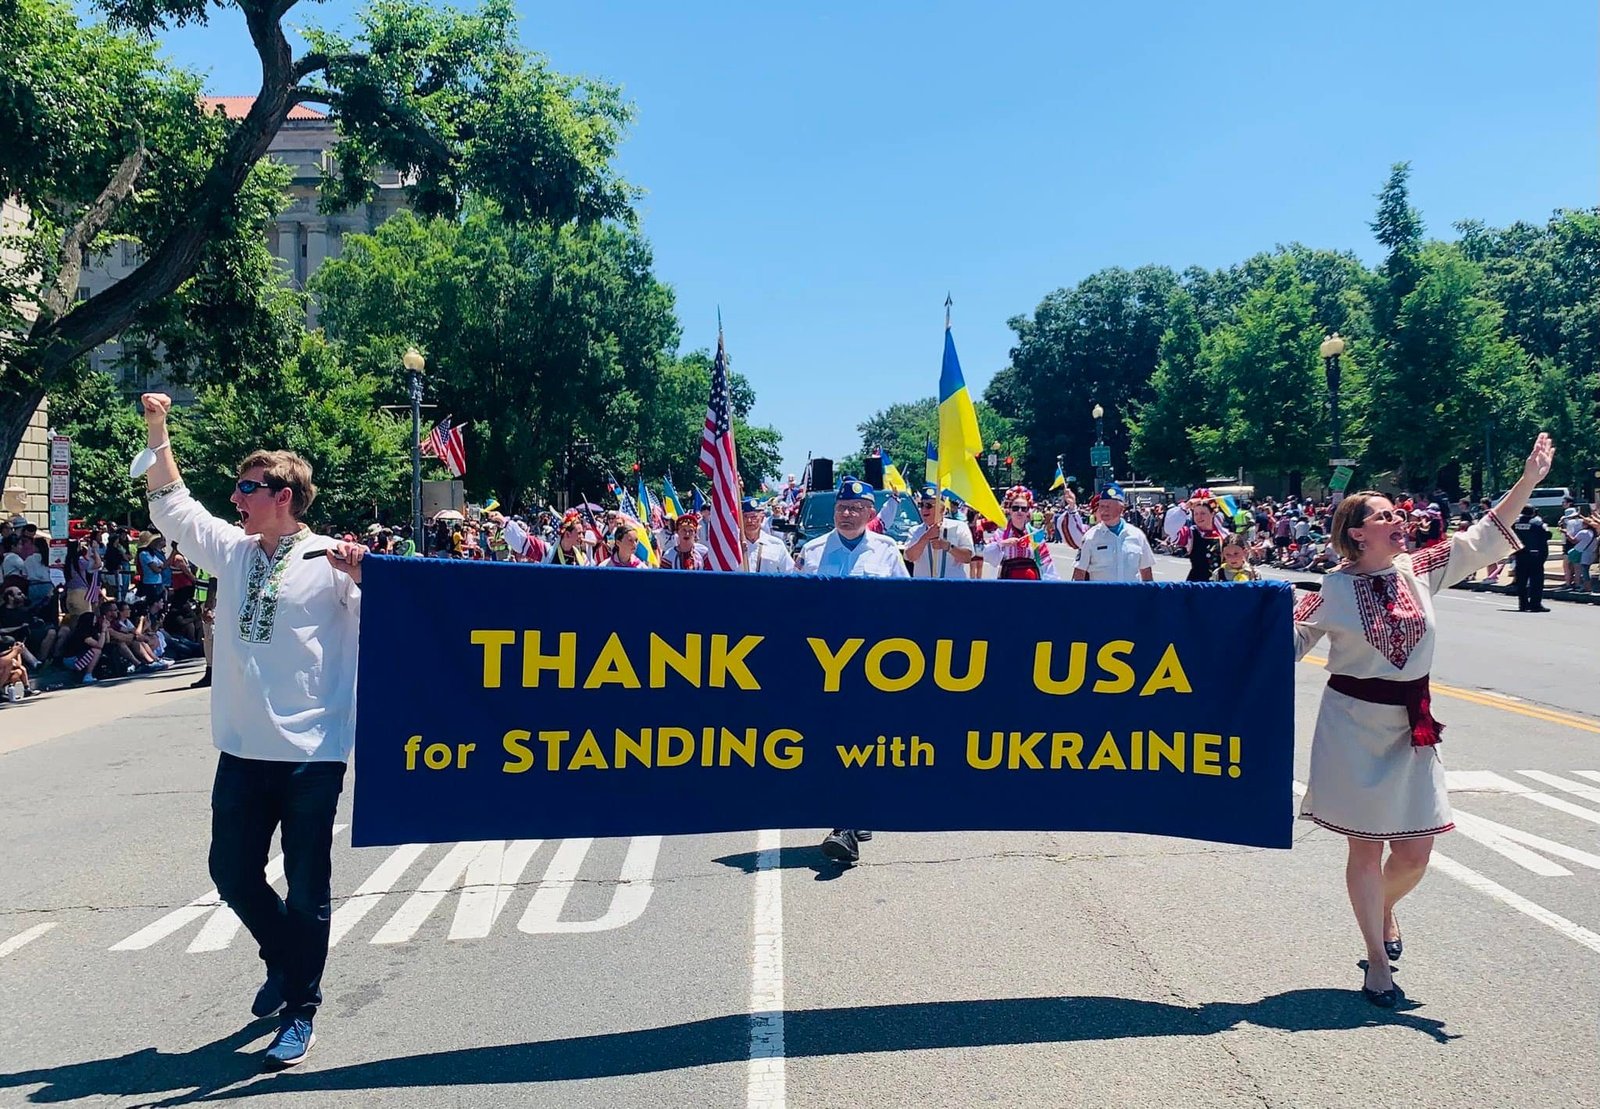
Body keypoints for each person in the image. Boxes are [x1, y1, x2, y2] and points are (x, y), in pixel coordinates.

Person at [137, 391, 366, 1071]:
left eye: (247, 486)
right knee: (231, 870)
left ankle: (301, 1009)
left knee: (307, 884)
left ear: (285, 495)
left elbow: (400, 618)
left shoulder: (330, 558)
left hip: (311, 754)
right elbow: (173, 504)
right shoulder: (235, 554)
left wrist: (368, 572)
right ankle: (285, 956)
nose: (235, 497)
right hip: (241, 749)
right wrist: (158, 427)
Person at [1292, 433, 1551, 1008]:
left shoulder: (1419, 569)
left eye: (1398, 512)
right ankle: (1377, 961)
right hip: (1352, 727)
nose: (1399, 519)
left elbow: (1483, 535)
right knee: (1365, 848)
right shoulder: (1330, 589)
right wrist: (1246, 615)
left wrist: (1529, 478)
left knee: (1413, 853)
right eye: (1385, 515)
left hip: (1413, 728)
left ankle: (1385, 908)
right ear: (1357, 532)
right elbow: (1285, 644)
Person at [798, 477, 910, 864]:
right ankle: (847, 818)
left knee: (862, 741)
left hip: (870, 667)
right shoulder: (812, 551)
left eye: (857, 509)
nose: (848, 514)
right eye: (842, 508)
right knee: (829, 740)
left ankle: (847, 822)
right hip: (822, 664)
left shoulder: (886, 551)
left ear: (870, 513)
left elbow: (905, 606)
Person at [1073, 485, 1155, 582]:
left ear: (1121, 509)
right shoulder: (1090, 537)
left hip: (1130, 596)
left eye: (1109, 506)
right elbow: (1079, 572)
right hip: (1101, 596)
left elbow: (1146, 571)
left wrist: (1149, 596)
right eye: (1102, 506)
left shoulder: (1137, 535)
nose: (1104, 510)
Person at [982, 486, 1059, 580]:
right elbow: (988, 556)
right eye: (1015, 508)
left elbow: (1046, 562)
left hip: (1031, 583)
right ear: (1009, 510)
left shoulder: (1034, 534)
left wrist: (1052, 584)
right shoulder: (1001, 533)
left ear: (1028, 511)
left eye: (1024, 509)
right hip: (1008, 581)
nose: (1019, 512)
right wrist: (1002, 543)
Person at [903, 485, 974, 580]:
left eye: (928, 506)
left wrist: (948, 547)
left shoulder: (959, 527)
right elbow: (910, 557)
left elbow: (967, 558)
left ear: (942, 509)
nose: (924, 509)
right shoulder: (915, 531)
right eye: (921, 505)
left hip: (953, 589)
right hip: (924, 589)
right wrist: (926, 537)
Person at [1176, 493, 1229, 582]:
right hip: (1197, 587)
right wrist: (1185, 507)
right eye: (1195, 513)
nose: (1198, 517)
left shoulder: (1224, 534)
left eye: (1203, 513)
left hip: (1220, 586)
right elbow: (1171, 529)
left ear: (1212, 514)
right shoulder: (1190, 533)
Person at [1510, 505, 1551, 612]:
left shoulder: (1515, 523)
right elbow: (1547, 535)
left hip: (1520, 555)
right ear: (1533, 512)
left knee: (1521, 582)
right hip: (1535, 556)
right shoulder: (1537, 523)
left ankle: (1522, 604)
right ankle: (1535, 604)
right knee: (1536, 581)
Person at [738, 497, 794, 574]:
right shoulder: (733, 546)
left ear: (762, 518)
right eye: (745, 516)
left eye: (754, 517)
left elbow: (790, 574)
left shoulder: (776, 545)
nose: (749, 521)